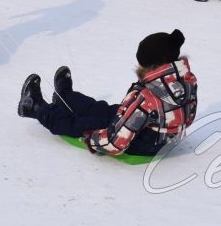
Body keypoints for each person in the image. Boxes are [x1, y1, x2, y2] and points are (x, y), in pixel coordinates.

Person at [17, 29, 197, 158]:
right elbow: (187, 116)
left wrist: (90, 137)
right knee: (103, 109)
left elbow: (115, 142)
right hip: (164, 137)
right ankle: (66, 97)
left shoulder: (145, 96)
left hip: (144, 144)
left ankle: (35, 108)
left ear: (149, 65)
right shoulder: (187, 81)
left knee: (83, 123)